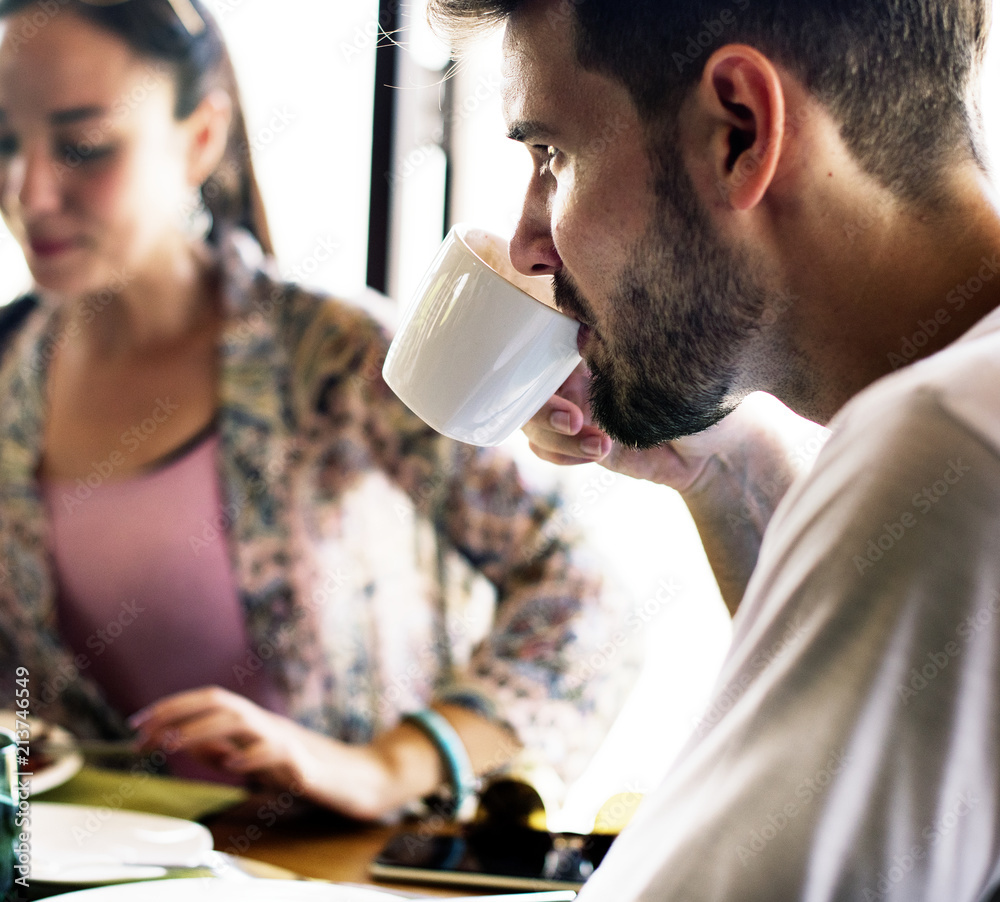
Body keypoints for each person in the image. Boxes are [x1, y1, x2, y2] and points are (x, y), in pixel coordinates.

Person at [0, 0, 636, 822]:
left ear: (201, 137)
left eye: (84, 145)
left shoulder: (335, 355)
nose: (27, 190)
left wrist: (384, 768)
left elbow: (586, 603)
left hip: (333, 873)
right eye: (5, 141)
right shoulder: (8, 370)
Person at [427, 0, 1000, 898]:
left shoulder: (954, 447)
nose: (532, 244)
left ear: (740, 130)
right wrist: (730, 466)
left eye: (553, 156)